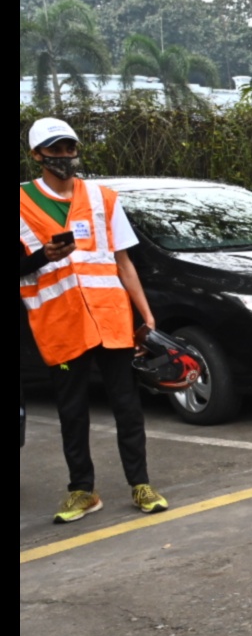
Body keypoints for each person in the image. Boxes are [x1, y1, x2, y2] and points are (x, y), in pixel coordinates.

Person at [18, 117, 168, 523]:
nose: (65, 156)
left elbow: (123, 262)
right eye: (55, 150)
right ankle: (82, 491)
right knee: (72, 411)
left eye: (69, 147)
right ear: (37, 155)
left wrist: (146, 314)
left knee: (127, 405)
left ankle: (141, 484)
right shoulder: (21, 202)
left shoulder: (103, 198)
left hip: (110, 319)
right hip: (61, 323)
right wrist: (39, 258)